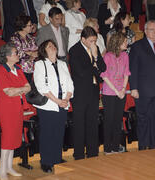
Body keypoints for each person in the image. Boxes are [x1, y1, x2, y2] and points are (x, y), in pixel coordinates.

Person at [129, 20, 155, 150]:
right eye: (152, 29)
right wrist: (133, 88)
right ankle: (143, 146)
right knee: (143, 119)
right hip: (143, 90)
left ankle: (153, 146)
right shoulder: (137, 46)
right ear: (145, 31)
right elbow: (133, 68)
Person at [33, 40, 74, 173]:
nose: (53, 47)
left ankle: (57, 158)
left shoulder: (62, 64)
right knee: (47, 133)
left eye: (54, 45)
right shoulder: (40, 64)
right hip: (48, 105)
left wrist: (66, 98)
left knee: (59, 132)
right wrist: (57, 101)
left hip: (63, 104)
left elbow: (70, 83)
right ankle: (46, 161)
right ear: (44, 51)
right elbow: (41, 86)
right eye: (49, 46)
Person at [69, 26, 106, 160]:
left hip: (93, 91)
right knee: (79, 124)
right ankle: (78, 154)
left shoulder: (94, 49)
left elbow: (103, 68)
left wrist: (96, 56)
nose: (93, 43)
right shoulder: (74, 50)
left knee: (92, 122)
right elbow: (81, 72)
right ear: (83, 39)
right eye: (91, 41)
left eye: (95, 40)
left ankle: (92, 152)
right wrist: (95, 66)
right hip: (80, 92)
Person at [0, 43, 31, 179]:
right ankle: (2, 170)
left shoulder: (18, 68)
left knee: (15, 137)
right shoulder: (0, 71)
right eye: (16, 53)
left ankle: (9, 167)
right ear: (8, 56)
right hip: (6, 109)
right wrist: (20, 89)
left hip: (18, 107)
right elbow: (8, 92)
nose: (18, 55)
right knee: (7, 138)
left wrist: (18, 90)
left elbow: (28, 87)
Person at [100, 32, 130, 154]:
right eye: (124, 41)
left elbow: (126, 73)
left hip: (121, 92)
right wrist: (117, 91)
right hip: (109, 92)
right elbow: (104, 76)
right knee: (109, 120)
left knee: (118, 120)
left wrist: (123, 89)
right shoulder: (107, 56)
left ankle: (115, 146)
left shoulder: (125, 55)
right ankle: (107, 148)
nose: (126, 43)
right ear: (117, 43)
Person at [10, 15, 38, 83]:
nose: (32, 27)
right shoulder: (15, 38)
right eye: (30, 25)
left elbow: (36, 51)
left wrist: (28, 52)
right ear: (23, 26)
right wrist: (31, 54)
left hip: (32, 68)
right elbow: (19, 54)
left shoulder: (30, 37)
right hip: (21, 69)